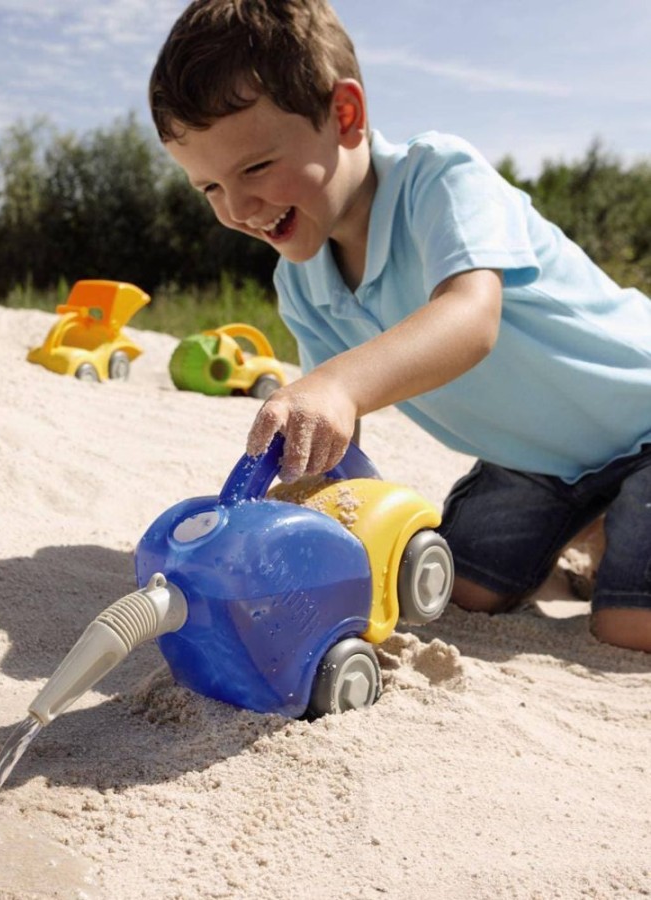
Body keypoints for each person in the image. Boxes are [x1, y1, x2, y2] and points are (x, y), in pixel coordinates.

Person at [148, 0, 651, 652]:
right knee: (455, 586)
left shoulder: (438, 178)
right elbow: (340, 441)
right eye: (209, 188)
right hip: (542, 464)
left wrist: (338, 385)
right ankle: (603, 523)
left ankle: (619, 526)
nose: (237, 208)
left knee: (628, 626)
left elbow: (470, 318)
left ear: (345, 116)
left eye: (255, 168)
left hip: (641, 413)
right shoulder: (301, 284)